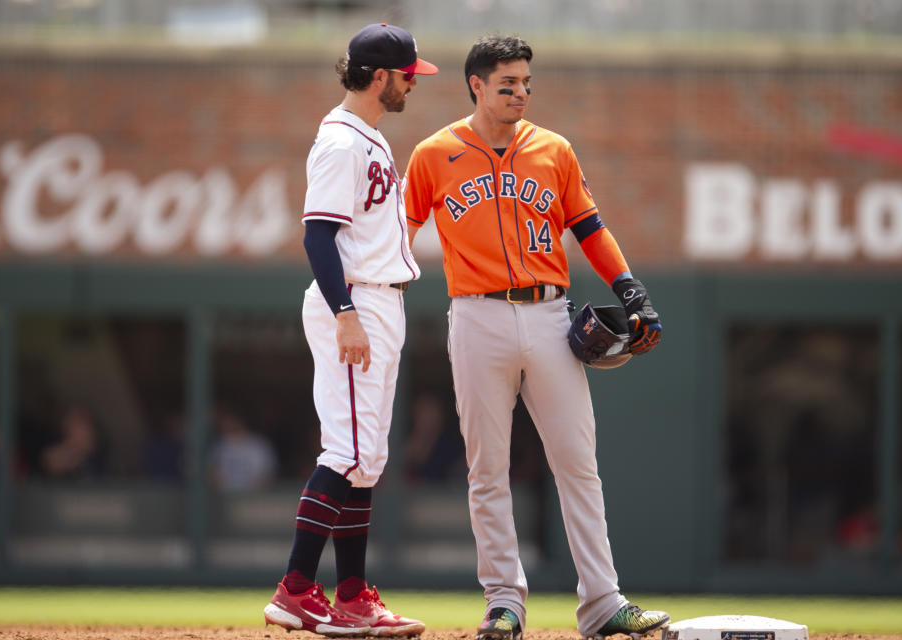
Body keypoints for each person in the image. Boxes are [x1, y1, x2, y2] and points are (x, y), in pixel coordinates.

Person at [403, 35, 669, 640]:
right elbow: (399, 232)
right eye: (508, 84)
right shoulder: (434, 153)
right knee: (486, 468)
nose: (520, 93)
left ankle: (603, 602)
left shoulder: (553, 149)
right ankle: (505, 603)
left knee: (577, 463)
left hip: (550, 315)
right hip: (475, 315)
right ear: (477, 85)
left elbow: (590, 228)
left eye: (526, 83)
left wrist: (629, 288)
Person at [262, 22, 437, 638]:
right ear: (381, 76)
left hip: (378, 300)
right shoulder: (341, 141)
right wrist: (345, 313)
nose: (413, 84)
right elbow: (317, 235)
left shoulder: (368, 136)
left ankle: (355, 595)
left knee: (367, 461)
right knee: (348, 452)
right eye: (409, 75)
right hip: (357, 301)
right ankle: (296, 590)